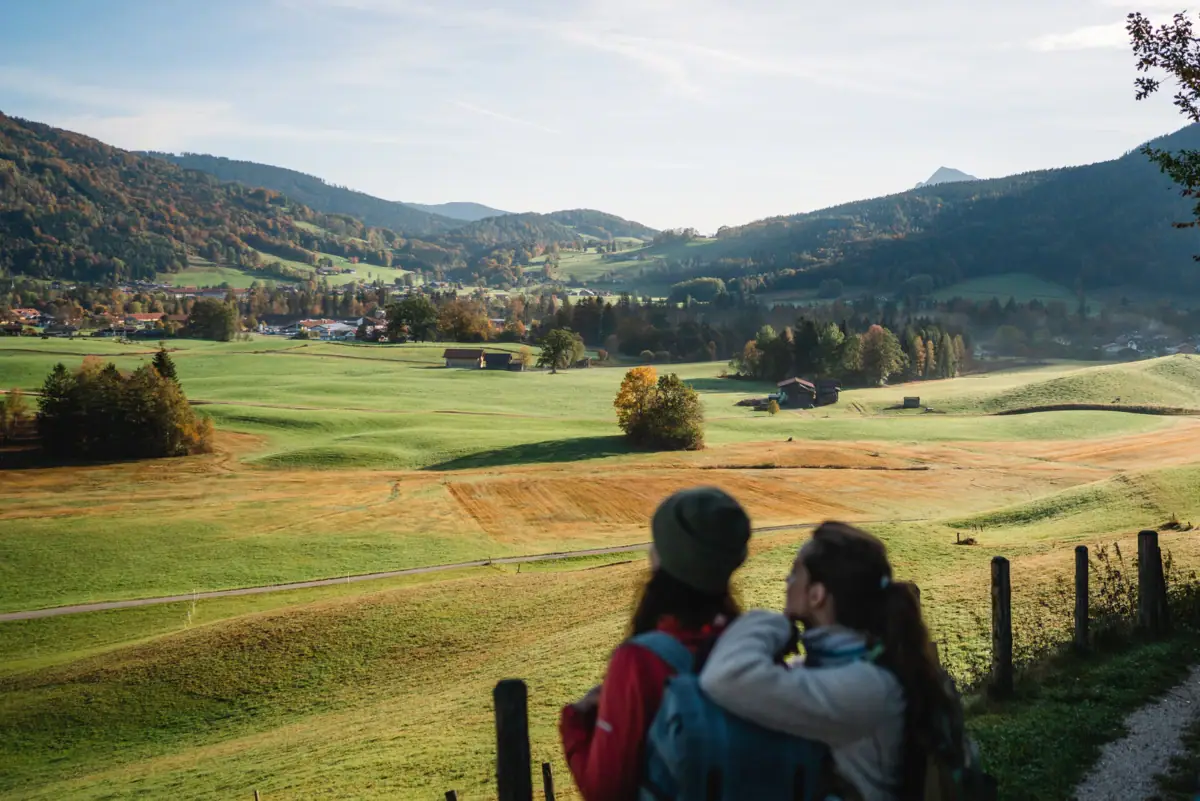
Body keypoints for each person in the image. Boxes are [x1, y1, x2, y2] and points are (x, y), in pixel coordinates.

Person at [699, 521, 947, 801]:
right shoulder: (841, 668)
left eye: (794, 574)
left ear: (816, 595)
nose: (786, 582)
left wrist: (775, 624)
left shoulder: (867, 686)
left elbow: (725, 676)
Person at [559, 487, 751, 801]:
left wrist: (576, 723)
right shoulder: (751, 645)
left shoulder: (641, 660)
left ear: (665, 557)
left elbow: (606, 792)